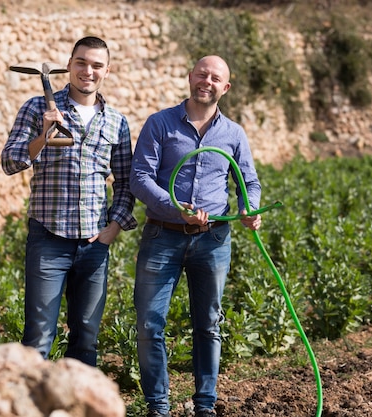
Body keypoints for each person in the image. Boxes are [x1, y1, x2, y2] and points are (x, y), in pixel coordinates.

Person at [130, 55, 262, 417]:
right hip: (163, 235)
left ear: (225, 87)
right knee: (149, 324)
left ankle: (205, 404)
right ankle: (158, 406)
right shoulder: (160, 123)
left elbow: (247, 181)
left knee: (208, 324)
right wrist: (176, 208)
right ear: (190, 77)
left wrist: (250, 207)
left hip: (213, 239)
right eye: (201, 74)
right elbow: (139, 177)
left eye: (215, 77)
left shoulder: (233, 133)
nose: (207, 81)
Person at [1, 36, 137, 367]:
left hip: (94, 244)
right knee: (38, 337)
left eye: (95, 65)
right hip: (48, 238)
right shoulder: (38, 108)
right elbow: (10, 162)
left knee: (86, 336)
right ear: (69, 64)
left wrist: (113, 228)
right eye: (81, 63)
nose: (87, 71)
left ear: (107, 70)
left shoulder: (116, 122)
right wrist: (43, 136)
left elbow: (126, 182)